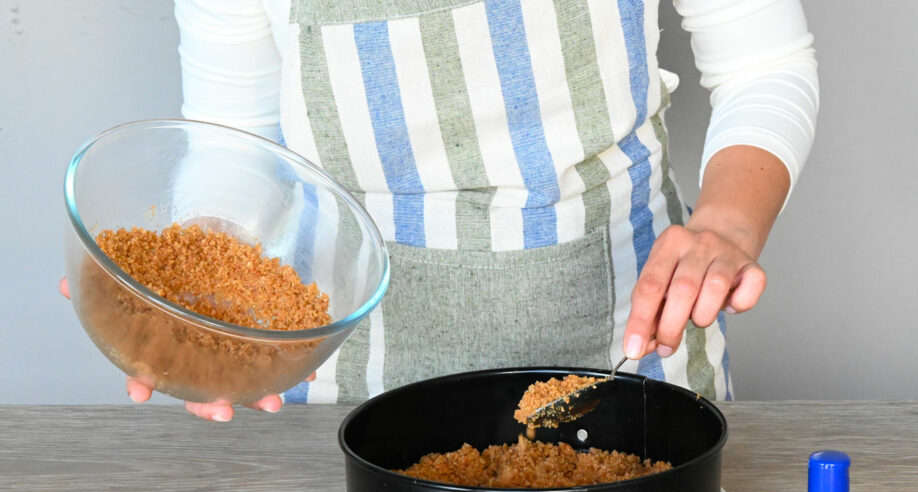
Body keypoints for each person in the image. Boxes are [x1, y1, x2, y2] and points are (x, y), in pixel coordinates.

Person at [63, 0, 818, 421]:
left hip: (629, 358)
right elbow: (241, 138)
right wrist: (207, 285)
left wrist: (724, 226)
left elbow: (764, 67)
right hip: (342, 394)